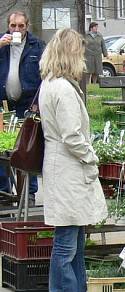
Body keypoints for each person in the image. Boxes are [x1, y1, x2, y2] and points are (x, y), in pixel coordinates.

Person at [39, 28, 112, 292]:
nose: (83, 58)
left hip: (62, 168)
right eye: (80, 53)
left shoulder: (51, 84)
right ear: (71, 54)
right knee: (67, 244)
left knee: (75, 242)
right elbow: (72, 136)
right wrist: (91, 157)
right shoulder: (64, 90)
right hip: (68, 169)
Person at [0, 11, 43, 202]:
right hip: (4, 104)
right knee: (2, 149)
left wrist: (37, 103)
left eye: (20, 26)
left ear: (27, 26)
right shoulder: (2, 44)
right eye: (13, 26)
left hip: (27, 104)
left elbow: (45, 75)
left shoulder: (37, 46)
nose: (16, 29)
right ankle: (4, 192)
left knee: (27, 148)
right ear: (8, 26)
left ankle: (28, 194)